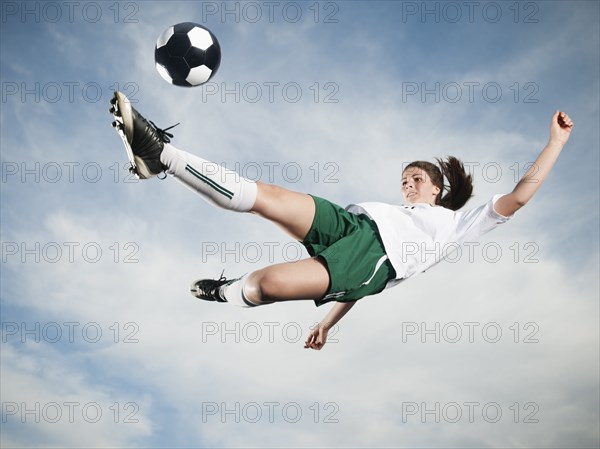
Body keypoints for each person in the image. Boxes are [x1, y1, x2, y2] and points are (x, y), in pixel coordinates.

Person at [109, 91, 574, 350]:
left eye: (415, 179)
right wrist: (332, 322)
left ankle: (225, 291)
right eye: (403, 179)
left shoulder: (457, 226)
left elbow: (519, 196)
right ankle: (160, 154)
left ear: (436, 188)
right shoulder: (396, 210)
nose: (407, 184)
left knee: (262, 286)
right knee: (265, 196)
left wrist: (554, 143)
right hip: (354, 227)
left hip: (372, 260)